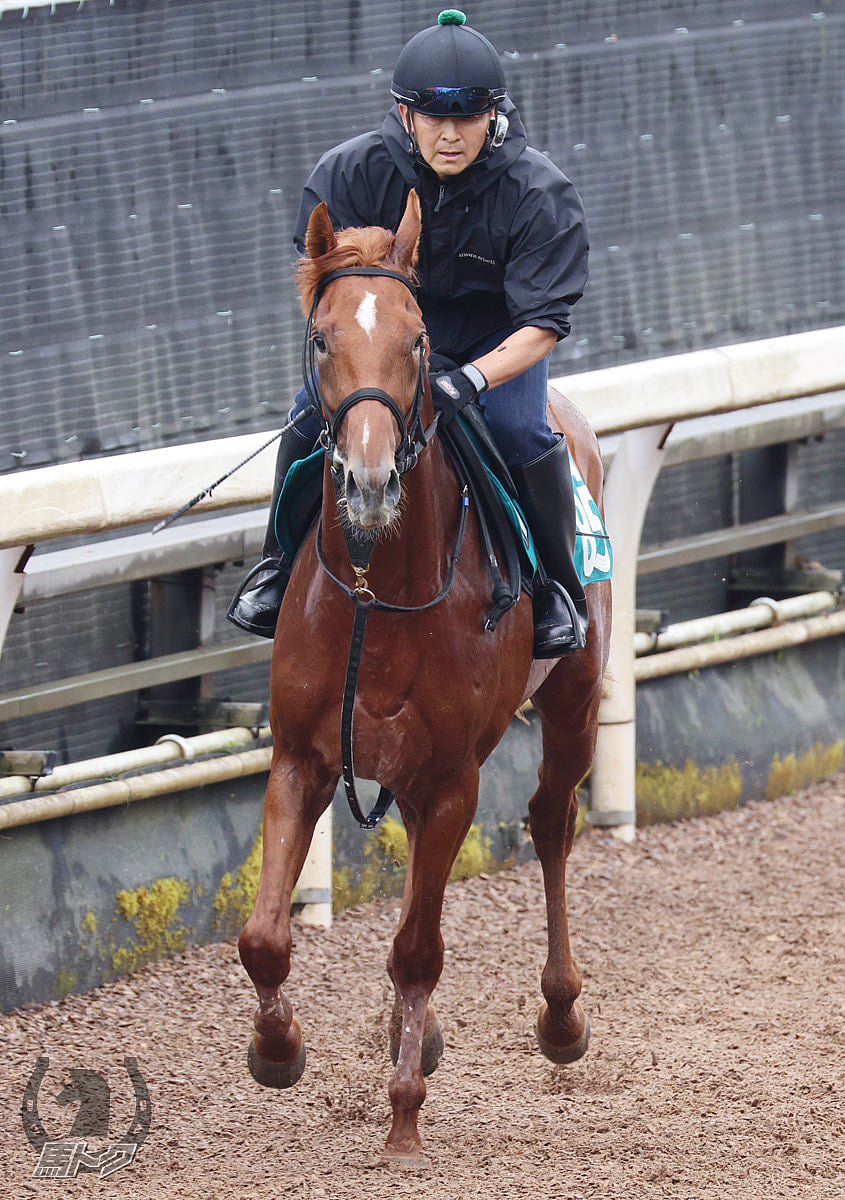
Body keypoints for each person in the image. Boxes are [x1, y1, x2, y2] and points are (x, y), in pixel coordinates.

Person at [228, 9, 590, 658]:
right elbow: (324, 293)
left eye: (467, 117)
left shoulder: (538, 192)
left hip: (491, 350)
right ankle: (276, 567)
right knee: (307, 418)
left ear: (492, 115)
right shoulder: (350, 172)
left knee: (519, 430)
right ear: (404, 116)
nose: (449, 135)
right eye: (433, 118)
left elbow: (541, 327)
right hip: (384, 348)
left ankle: (556, 589)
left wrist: (470, 378)